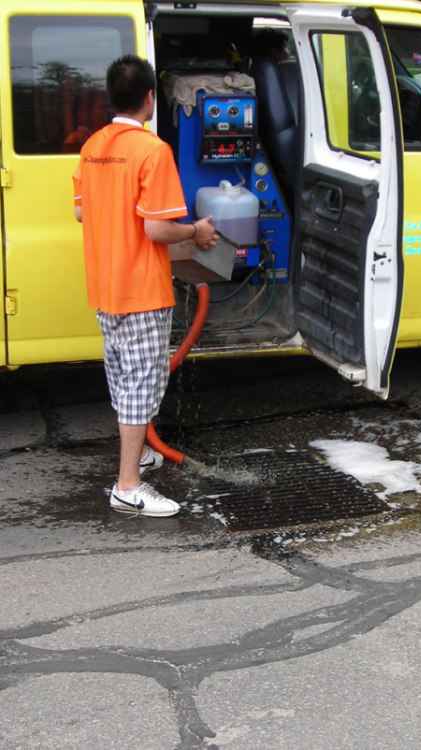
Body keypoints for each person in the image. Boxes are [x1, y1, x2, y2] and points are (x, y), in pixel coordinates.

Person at [73, 55, 218, 518]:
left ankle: (138, 458)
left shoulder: (92, 145)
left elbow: (81, 212)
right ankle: (127, 485)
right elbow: (158, 230)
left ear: (111, 97)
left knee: (123, 379)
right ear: (151, 99)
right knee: (141, 384)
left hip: (105, 285)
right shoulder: (152, 150)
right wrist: (196, 231)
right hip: (140, 289)